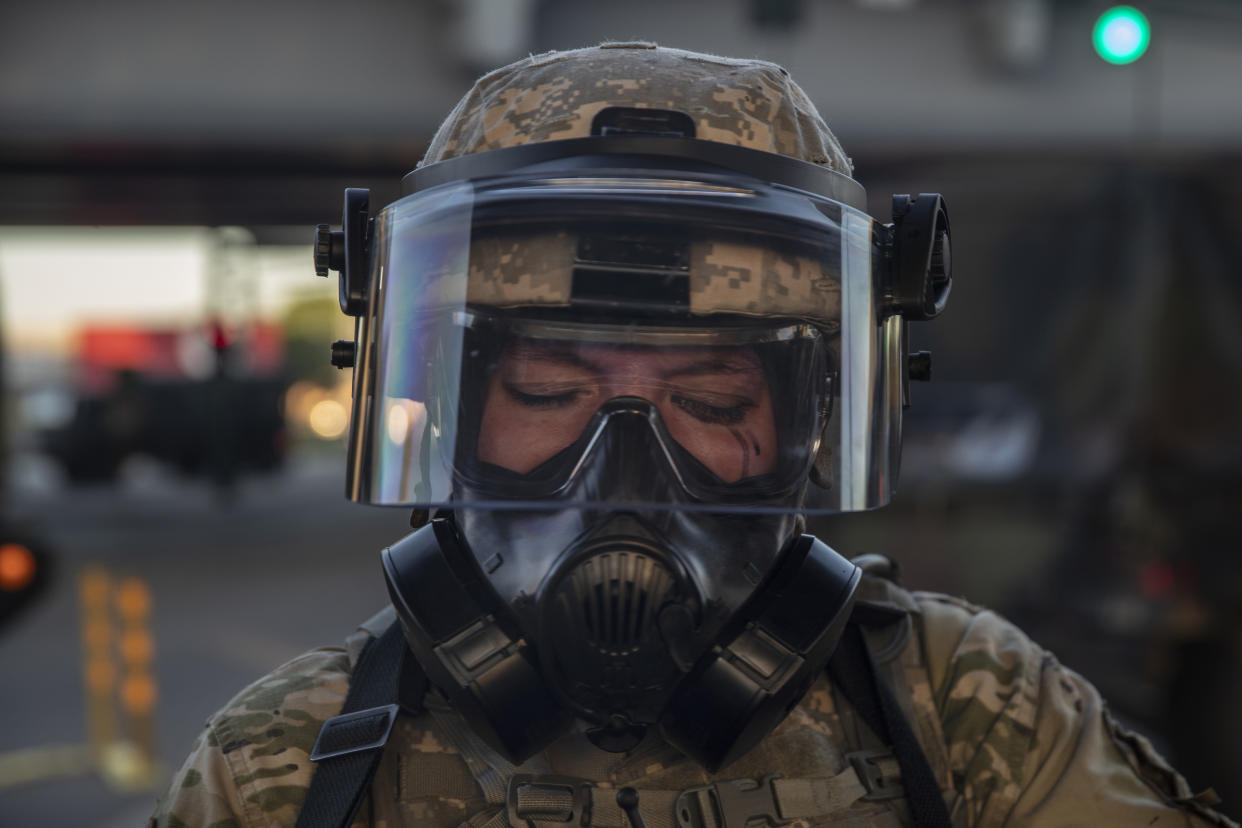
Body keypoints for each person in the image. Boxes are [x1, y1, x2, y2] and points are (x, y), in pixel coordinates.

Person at [149, 44, 1237, 828]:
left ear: (804, 422)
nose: (625, 469)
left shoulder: (965, 708)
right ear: (453, 413)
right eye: (548, 393)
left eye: (710, 402)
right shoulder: (288, 762)